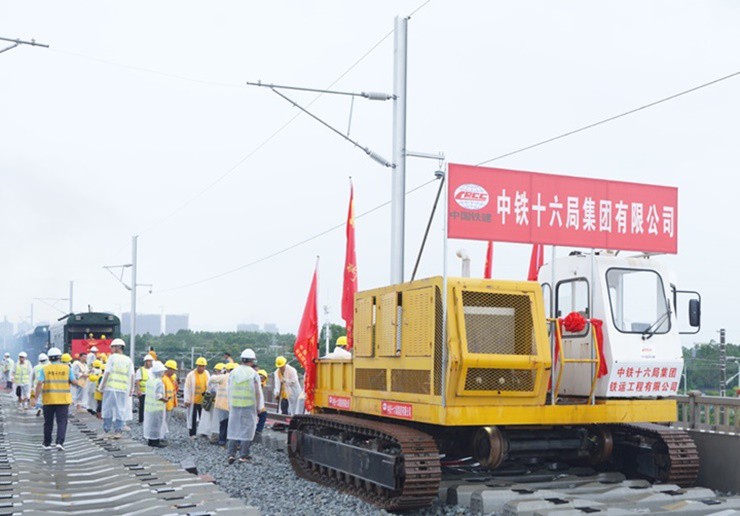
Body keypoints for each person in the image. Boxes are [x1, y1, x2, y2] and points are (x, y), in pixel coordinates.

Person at [34, 347, 81, 451]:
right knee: (62, 421)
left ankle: (47, 444)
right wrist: (82, 382)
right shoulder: (67, 368)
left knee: (48, 422)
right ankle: (59, 442)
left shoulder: (45, 369)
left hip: (49, 400)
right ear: (60, 358)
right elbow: (74, 382)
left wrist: (35, 398)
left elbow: (39, 383)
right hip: (63, 400)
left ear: (49, 359)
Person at [227, 348, 263, 464]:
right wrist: (259, 407)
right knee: (247, 430)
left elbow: (229, 389)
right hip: (249, 405)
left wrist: (230, 404)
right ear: (252, 361)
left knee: (233, 428)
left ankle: (231, 454)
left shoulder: (233, 372)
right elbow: (258, 392)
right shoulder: (253, 374)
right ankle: (243, 455)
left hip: (235, 405)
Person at [98, 338, 134, 438]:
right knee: (120, 409)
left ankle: (107, 431)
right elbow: (131, 375)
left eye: (112, 347)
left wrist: (101, 387)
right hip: (123, 389)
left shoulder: (112, 358)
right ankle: (118, 431)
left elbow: (107, 372)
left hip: (111, 388)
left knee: (107, 409)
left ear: (118, 347)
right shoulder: (128, 360)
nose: (111, 349)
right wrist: (131, 389)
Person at [143, 361, 168, 447]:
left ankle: (150, 440)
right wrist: (165, 400)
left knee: (150, 425)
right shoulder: (159, 382)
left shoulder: (150, 381)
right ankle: (155, 441)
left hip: (149, 407)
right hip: (157, 408)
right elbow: (158, 396)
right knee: (156, 426)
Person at [184, 357, 210, 437]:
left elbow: (209, 385)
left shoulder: (207, 374)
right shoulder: (191, 375)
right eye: (200, 366)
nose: (201, 368)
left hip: (203, 400)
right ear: (197, 366)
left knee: (204, 417)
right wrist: (187, 400)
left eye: (203, 366)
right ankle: (192, 433)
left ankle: (204, 432)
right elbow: (187, 388)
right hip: (193, 400)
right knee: (193, 417)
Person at [197, 363, 224, 441]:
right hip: (213, 401)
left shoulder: (213, 378)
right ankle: (209, 432)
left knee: (207, 416)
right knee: (211, 417)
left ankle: (205, 431)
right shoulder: (215, 378)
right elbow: (214, 390)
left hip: (210, 400)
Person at [211, 362, 234, 446]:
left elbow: (212, 379)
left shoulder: (223, 377)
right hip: (231, 405)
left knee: (223, 423)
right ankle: (228, 440)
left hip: (221, 404)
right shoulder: (235, 377)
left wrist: (220, 374)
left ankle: (222, 440)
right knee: (229, 423)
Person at [135, 355, 154, 424]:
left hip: (151, 392)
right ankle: (141, 420)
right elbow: (137, 381)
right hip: (143, 392)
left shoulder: (153, 370)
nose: (151, 363)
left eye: (151, 361)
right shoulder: (140, 370)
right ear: (146, 362)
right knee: (142, 406)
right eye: (149, 361)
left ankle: (148, 420)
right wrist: (138, 390)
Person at [162, 360, 178, 427]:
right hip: (164, 405)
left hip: (169, 404)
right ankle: (162, 434)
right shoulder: (163, 379)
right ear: (168, 369)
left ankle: (164, 434)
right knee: (164, 421)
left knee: (167, 421)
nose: (174, 372)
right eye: (173, 370)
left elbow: (174, 391)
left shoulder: (171, 379)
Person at [254, 369, 269, 440]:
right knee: (263, 415)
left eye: (262, 377)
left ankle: (257, 430)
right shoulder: (259, 384)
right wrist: (259, 407)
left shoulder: (258, 383)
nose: (261, 378)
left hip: (254, 404)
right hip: (254, 405)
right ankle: (258, 430)